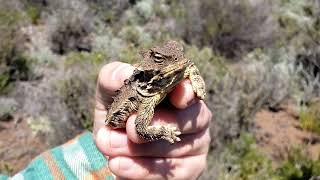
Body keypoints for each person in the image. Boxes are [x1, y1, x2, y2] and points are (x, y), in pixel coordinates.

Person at [1, 62, 212, 180]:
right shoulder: (148, 97)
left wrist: (195, 82)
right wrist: (165, 133)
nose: (177, 64)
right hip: (117, 136)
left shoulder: (175, 71)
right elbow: (141, 128)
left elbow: (189, 65)